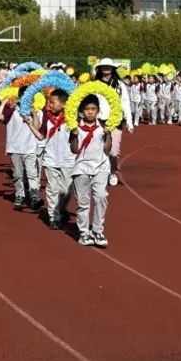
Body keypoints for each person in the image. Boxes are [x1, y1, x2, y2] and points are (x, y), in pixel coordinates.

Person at [70, 94, 112, 248]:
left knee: (101, 197)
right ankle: (83, 232)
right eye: (87, 109)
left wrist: (108, 135)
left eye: (93, 109)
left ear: (98, 111)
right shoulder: (76, 127)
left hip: (100, 167)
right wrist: (74, 136)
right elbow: (74, 150)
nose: (90, 112)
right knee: (83, 202)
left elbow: (107, 149)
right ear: (82, 111)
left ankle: (98, 230)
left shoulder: (103, 128)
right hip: (81, 168)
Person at [27, 88, 72, 230]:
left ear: (64, 104)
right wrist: (29, 124)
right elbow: (41, 136)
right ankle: (54, 217)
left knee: (67, 190)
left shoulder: (72, 118)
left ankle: (60, 208)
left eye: (53, 102)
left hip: (68, 160)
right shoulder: (47, 118)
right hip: (51, 159)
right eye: (49, 102)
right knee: (52, 189)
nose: (50, 105)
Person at [0, 86, 42, 211]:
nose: (27, 100)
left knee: (32, 174)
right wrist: (5, 102)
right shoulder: (12, 111)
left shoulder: (35, 112)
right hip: (15, 148)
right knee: (17, 174)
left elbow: (37, 128)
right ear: (20, 98)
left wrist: (33, 112)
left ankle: (34, 196)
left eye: (30, 97)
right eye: (25, 97)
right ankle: (20, 195)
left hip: (30, 148)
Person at [93, 58, 133, 186]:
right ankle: (102, 173)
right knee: (99, 149)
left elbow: (125, 103)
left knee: (113, 151)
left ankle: (113, 171)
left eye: (108, 66)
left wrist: (130, 121)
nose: (106, 69)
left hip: (116, 121)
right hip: (99, 120)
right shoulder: (95, 84)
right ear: (100, 69)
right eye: (103, 66)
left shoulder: (119, 85)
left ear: (112, 69)